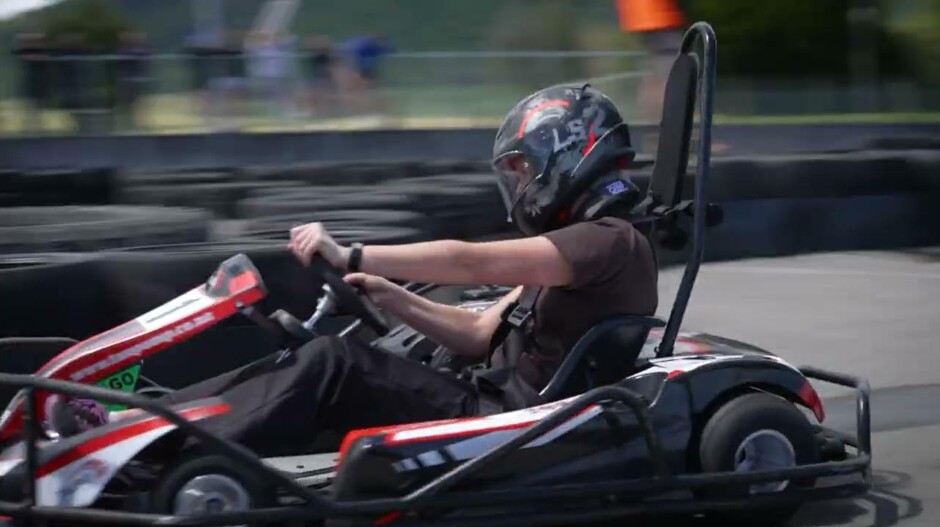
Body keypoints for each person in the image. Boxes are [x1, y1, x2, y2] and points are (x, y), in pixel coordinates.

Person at [50, 84, 659, 458]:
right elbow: (479, 335)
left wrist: (355, 255)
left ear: (571, 153)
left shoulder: (609, 244)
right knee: (306, 354)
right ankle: (134, 421)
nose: (522, 184)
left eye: (526, 168)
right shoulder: (570, 250)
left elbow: (470, 258)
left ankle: (158, 444)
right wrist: (393, 297)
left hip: (509, 421)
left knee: (331, 364)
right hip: (492, 399)